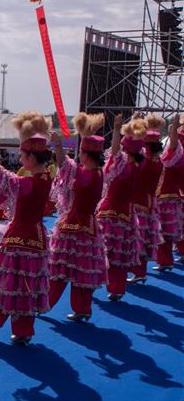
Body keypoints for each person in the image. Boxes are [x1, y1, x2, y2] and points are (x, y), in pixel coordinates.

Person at [0, 112, 52, 346]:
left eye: (23, 154)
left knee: (4, 284)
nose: (21, 158)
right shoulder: (46, 178)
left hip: (18, 238)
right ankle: (23, 331)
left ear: (32, 158)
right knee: (26, 286)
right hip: (36, 237)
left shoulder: (28, 183)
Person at [46, 113, 108, 321]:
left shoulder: (87, 175)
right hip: (89, 227)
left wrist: (57, 146)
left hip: (74, 225)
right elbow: (70, 167)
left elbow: (65, 167)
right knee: (82, 272)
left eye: (81, 151)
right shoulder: (98, 173)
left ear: (86, 154)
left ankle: (46, 303)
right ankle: (82, 309)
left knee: (60, 268)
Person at [96, 115, 144, 301]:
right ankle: (117, 288)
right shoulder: (140, 165)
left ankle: (87, 285)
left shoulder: (122, 166)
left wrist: (116, 129)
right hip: (127, 215)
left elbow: (114, 151)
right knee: (120, 256)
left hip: (110, 212)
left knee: (100, 252)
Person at [128, 114, 165, 282]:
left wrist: (133, 126)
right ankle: (140, 272)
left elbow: (130, 149)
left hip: (138, 202)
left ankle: (138, 272)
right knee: (143, 239)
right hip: (150, 203)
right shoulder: (160, 163)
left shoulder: (145, 163)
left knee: (137, 239)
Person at [154, 114, 182, 270]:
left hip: (167, 199)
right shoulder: (163, 161)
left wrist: (175, 130)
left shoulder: (171, 158)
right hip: (164, 198)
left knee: (164, 232)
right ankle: (166, 261)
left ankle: (165, 261)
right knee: (164, 233)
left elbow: (173, 144)